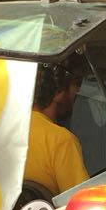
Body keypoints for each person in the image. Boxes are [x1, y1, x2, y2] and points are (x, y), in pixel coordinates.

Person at [26, 57, 89, 197]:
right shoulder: (60, 139)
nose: (76, 93)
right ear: (59, 91)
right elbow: (80, 200)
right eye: (75, 85)